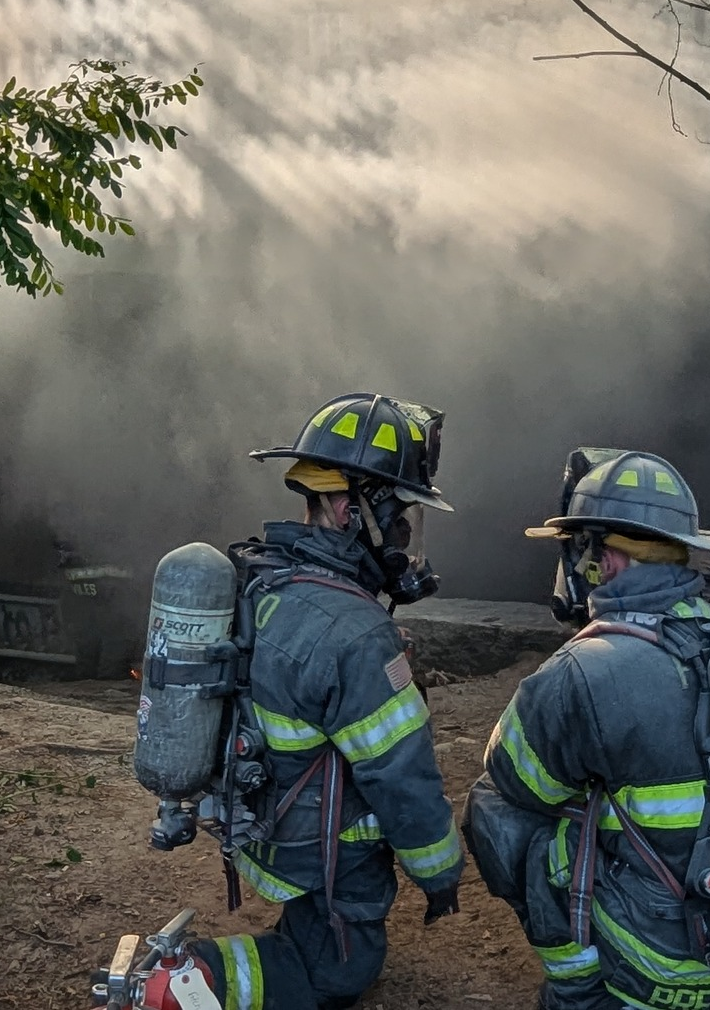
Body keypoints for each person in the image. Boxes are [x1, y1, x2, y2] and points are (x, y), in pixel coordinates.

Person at [181, 393, 467, 1010]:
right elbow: (402, 777)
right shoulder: (355, 630)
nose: (402, 538)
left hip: (263, 821)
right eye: (397, 518)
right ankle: (184, 978)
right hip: (322, 853)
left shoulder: (266, 578)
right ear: (347, 507)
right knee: (340, 972)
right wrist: (441, 874)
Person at [476, 450, 710, 1010]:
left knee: (495, 809)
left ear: (608, 561)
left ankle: (579, 986)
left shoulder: (582, 672)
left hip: (647, 963)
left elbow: (513, 784)